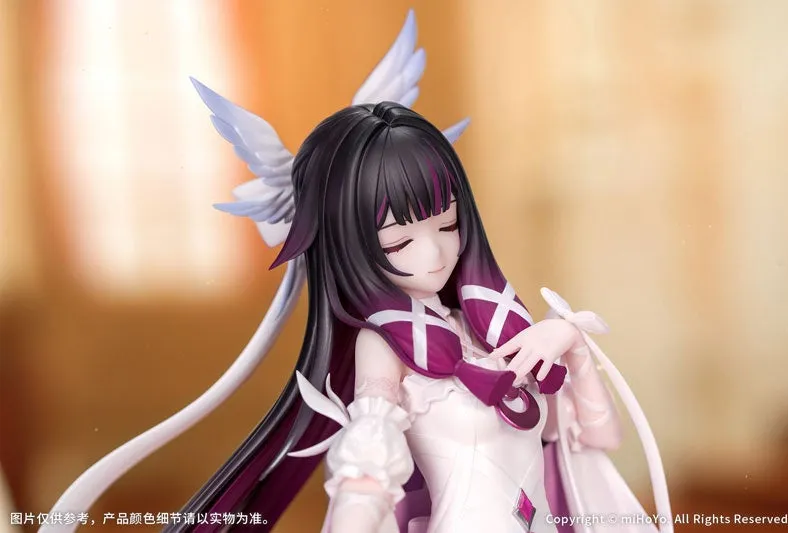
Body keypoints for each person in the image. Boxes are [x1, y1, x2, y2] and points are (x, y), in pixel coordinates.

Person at [41, 10, 672, 533]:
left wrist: (570, 341)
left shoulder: (496, 324)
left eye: (448, 225)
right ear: (352, 245)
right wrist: (356, 507)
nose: (435, 255)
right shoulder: (384, 344)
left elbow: (598, 441)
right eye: (400, 240)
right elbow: (372, 448)